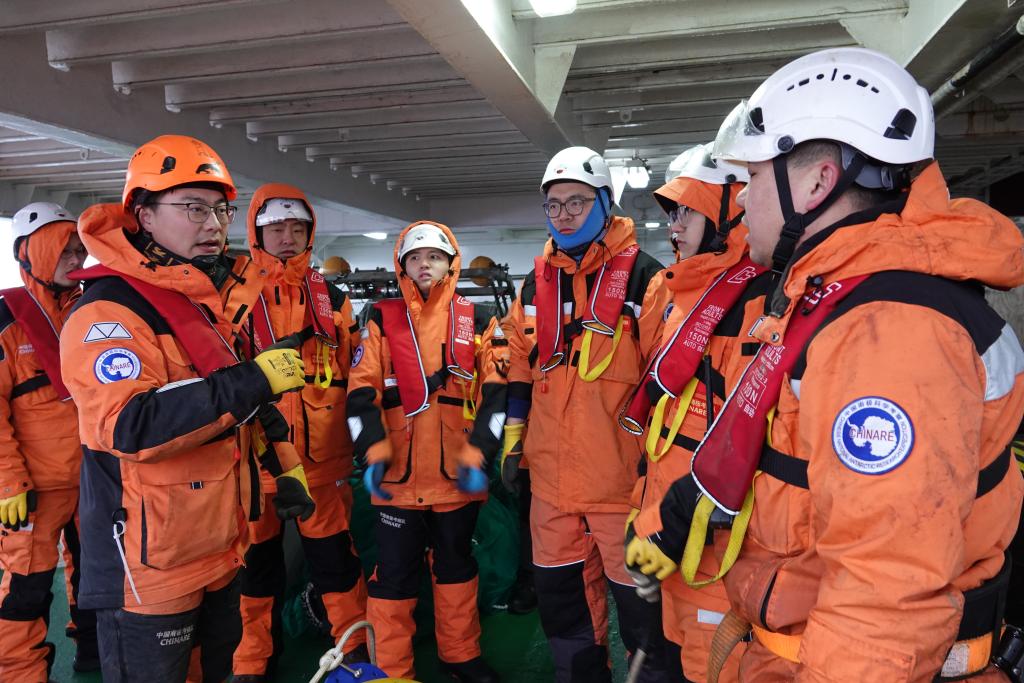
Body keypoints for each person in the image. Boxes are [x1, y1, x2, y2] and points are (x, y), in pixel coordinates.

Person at [631, 47, 1024, 681]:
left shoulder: (889, 330)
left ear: (816, 183)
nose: (745, 199)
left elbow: (884, 601)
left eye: (755, 177)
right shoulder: (836, 301)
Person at [59, 134, 315, 683]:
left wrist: (286, 465)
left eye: (220, 210)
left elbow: (244, 402)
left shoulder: (202, 307)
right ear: (144, 216)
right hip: (150, 567)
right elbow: (129, 425)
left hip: (220, 547)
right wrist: (255, 377)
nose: (213, 224)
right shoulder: (107, 313)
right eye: (193, 208)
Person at [502, 146, 672, 682]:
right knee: (564, 612)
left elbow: (668, 382)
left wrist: (660, 477)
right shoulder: (534, 286)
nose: (565, 215)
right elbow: (520, 367)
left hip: (623, 489)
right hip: (550, 490)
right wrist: (511, 443)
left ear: (604, 203)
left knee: (646, 619)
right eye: (554, 205)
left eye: (577, 202)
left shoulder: (647, 280)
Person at [620, 142, 764, 682]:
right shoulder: (677, 294)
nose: (673, 224)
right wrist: (644, 512)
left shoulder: (763, 301)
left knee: (711, 666)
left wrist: (669, 526)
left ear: (730, 210)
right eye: (672, 212)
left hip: (718, 546)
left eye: (688, 209)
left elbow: (750, 442)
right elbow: (664, 421)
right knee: (663, 656)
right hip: (664, 527)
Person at [346, 221, 506, 682]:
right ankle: (392, 671)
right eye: (415, 257)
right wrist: (372, 452)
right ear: (402, 265)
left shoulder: (478, 320)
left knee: (457, 569)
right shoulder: (380, 319)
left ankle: (461, 655)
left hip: (456, 478)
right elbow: (361, 394)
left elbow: (497, 396)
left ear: (451, 264)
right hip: (397, 480)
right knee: (393, 578)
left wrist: (479, 455)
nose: (424, 265)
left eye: (434, 256)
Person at [232, 185, 367, 681]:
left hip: (321, 463)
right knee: (255, 569)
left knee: (336, 565)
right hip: (254, 464)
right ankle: (252, 660)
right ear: (257, 232)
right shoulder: (232, 294)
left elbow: (356, 372)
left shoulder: (334, 299)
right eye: (276, 229)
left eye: (297, 228)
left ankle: (353, 651)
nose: (287, 238)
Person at [0, 201, 96, 681]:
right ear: (30, 252)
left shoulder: (92, 309)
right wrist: (9, 484)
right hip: (33, 492)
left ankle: (93, 656)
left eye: (80, 250)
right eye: (64, 250)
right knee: (26, 591)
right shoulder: (5, 320)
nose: (75, 260)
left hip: (95, 480)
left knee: (97, 579)